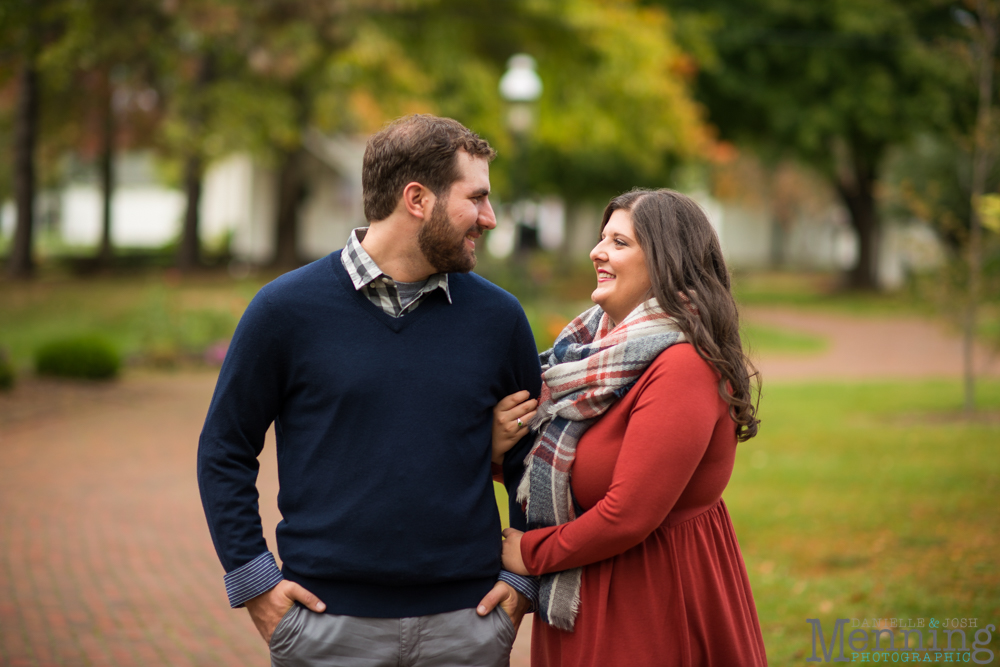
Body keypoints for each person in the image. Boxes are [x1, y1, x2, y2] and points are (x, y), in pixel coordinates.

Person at [197, 114, 542, 667]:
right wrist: (255, 583)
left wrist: (521, 580)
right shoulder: (284, 310)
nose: (491, 218)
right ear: (417, 199)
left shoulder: (499, 319)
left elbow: (536, 457)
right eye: (476, 198)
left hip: (468, 627)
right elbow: (224, 451)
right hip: (325, 628)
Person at [493, 188, 768, 666]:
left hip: (652, 605)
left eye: (620, 243)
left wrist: (531, 552)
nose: (598, 252)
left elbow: (628, 515)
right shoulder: (589, 356)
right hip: (589, 591)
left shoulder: (683, 366)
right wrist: (499, 446)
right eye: (602, 239)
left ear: (666, 262)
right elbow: (562, 465)